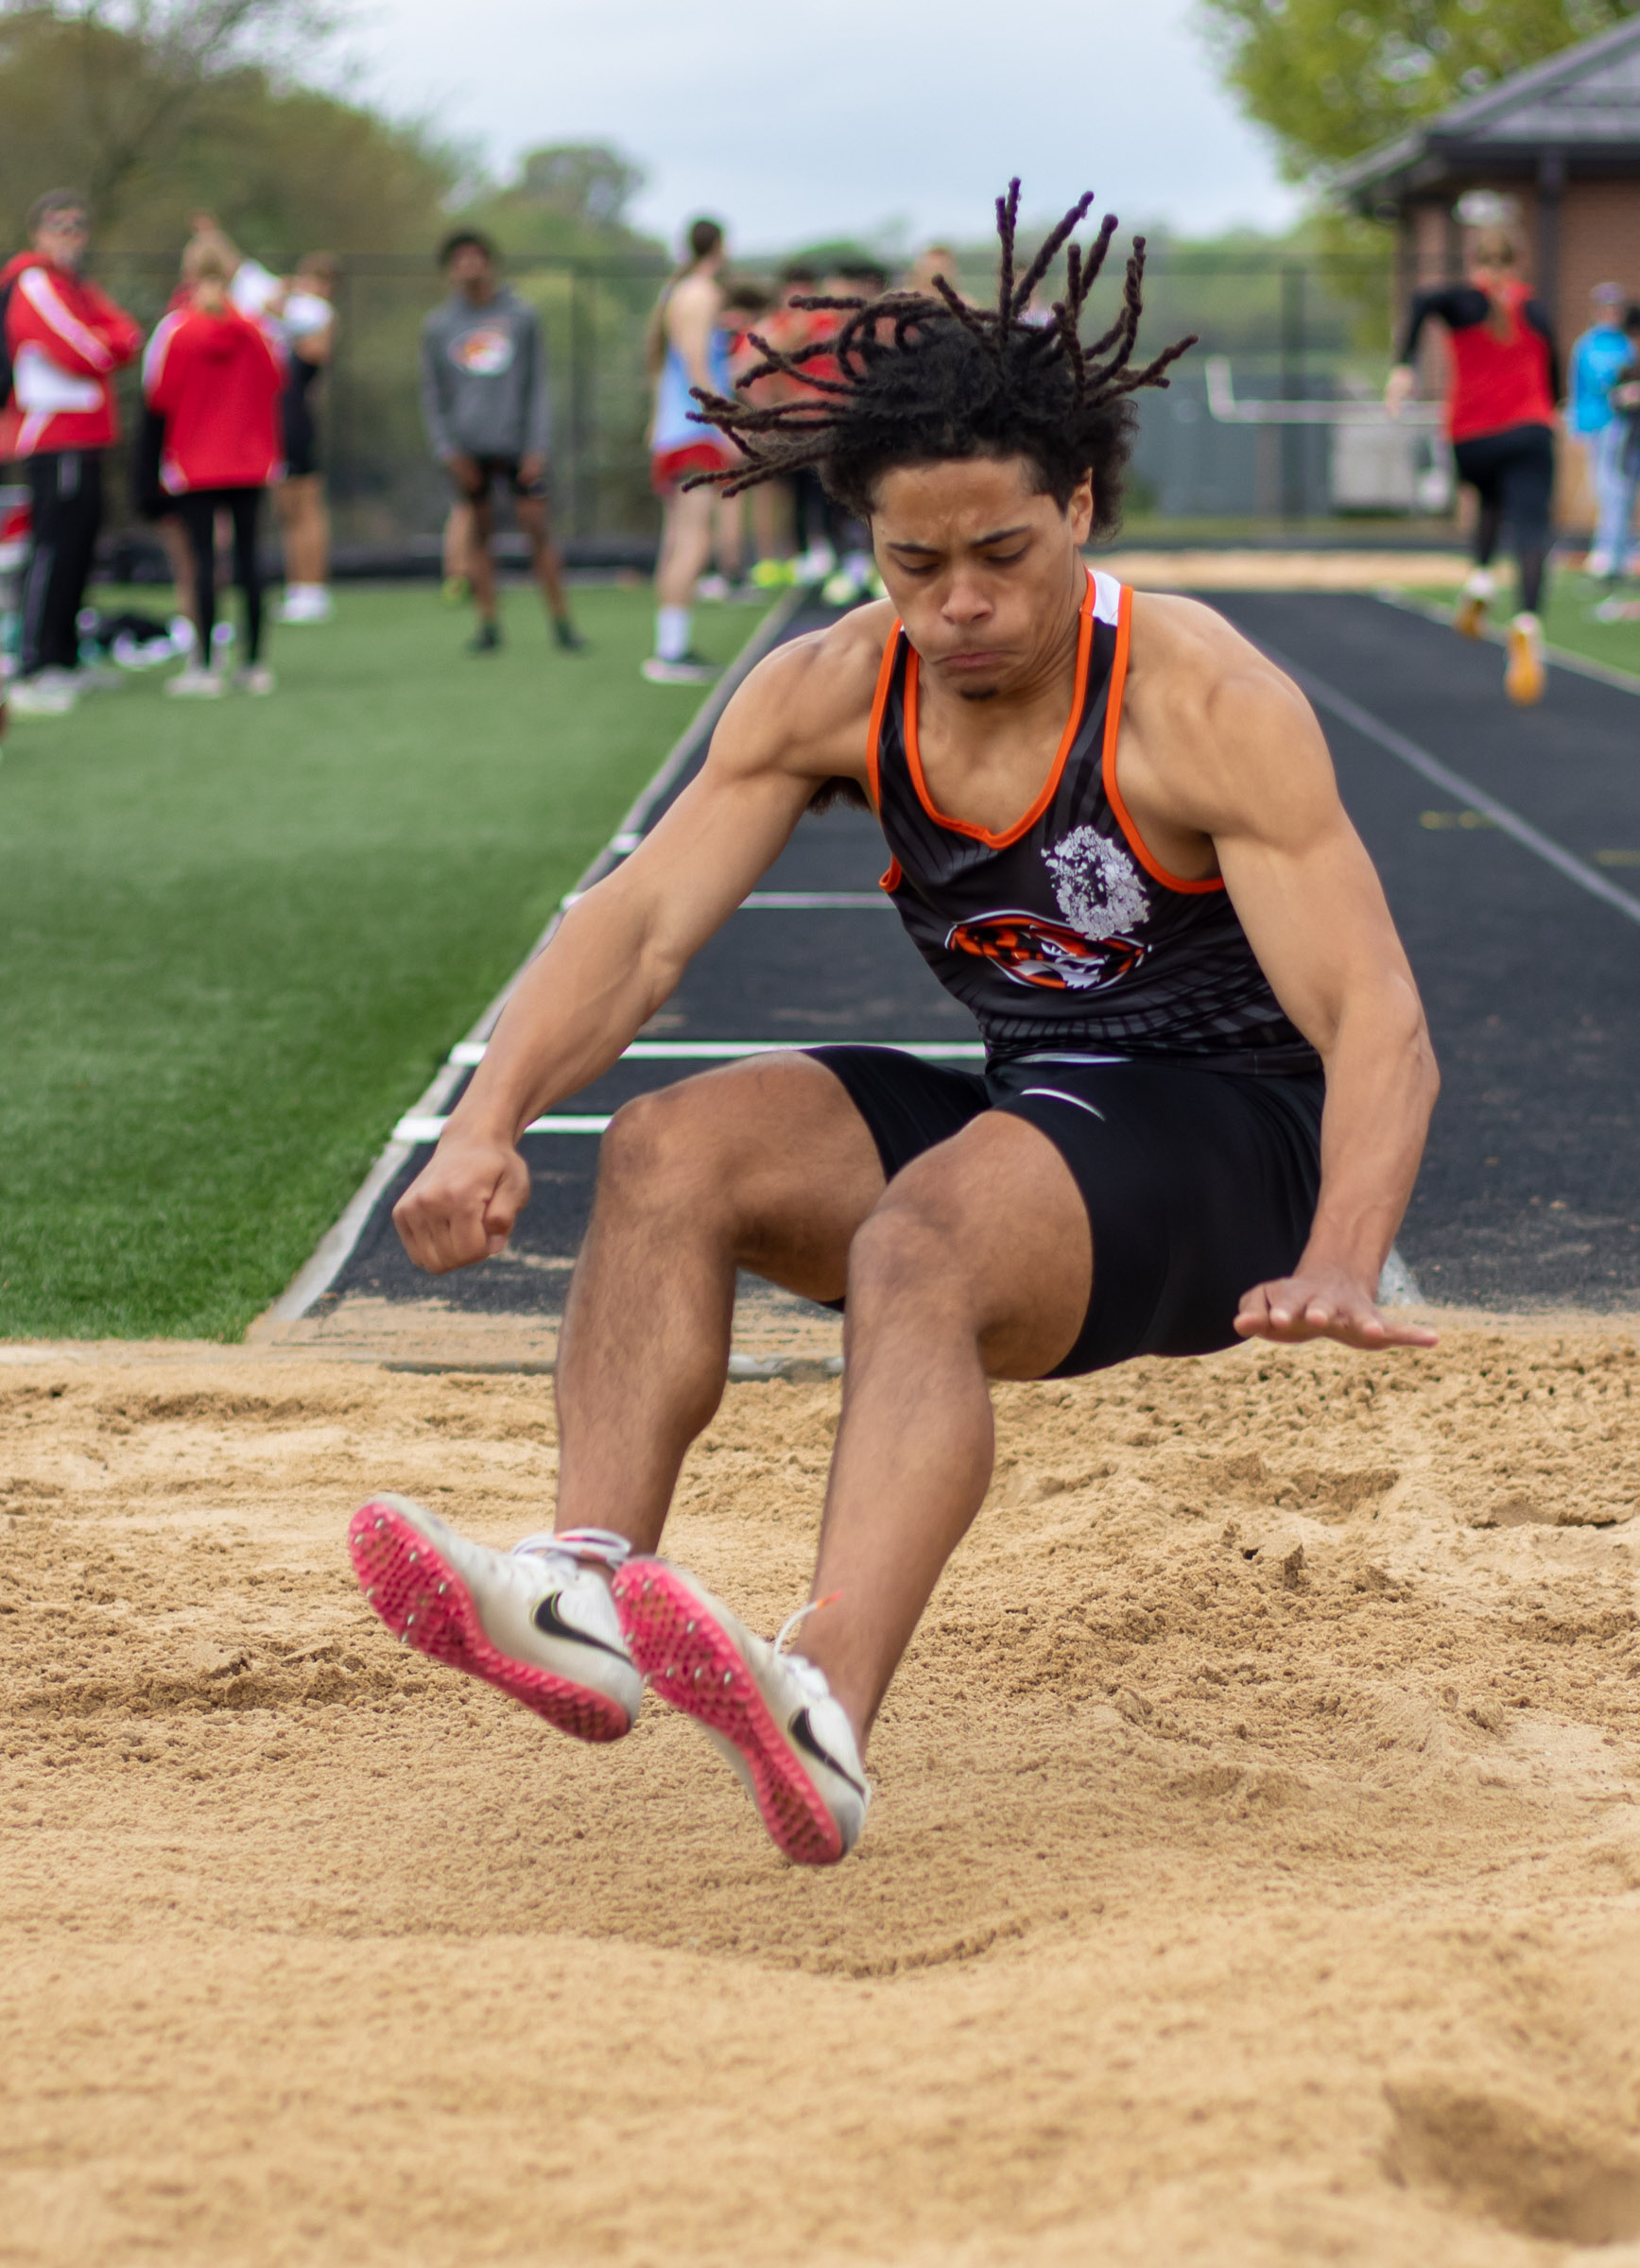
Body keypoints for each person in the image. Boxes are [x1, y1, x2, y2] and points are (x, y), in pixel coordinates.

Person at [351, 184, 1440, 1869]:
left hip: (1233, 1140)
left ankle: (826, 1705)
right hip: (1039, 1106)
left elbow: (1377, 1013)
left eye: (1005, 554)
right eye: (914, 563)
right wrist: (489, 1120)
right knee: (669, 1144)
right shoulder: (829, 686)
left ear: (1080, 503)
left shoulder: (1201, 702)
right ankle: (579, 1582)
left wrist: (1348, 1253)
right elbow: (635, 926)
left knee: (921, 1238)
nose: (963, 604)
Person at [1386, 221, 1561, 705]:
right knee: (1530, 528)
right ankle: (1526, 622)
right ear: (1519, 262)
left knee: (1489, 503)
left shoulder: (1463, 303)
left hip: (1472, 437)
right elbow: (1555, 371)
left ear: (1474, 262)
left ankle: (1480, 579)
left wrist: (1403, 369)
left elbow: (1422, 302)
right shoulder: (1536, 311)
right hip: (1529, 431)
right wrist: (1556, 409)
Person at [0, 189, 141, 715]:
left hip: (88, 437)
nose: (69, 235)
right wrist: (109, 344)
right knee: (52, 547)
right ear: (37, 232)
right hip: (52, 436)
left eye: (77, 225)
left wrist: (111, 343)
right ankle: (33, 664)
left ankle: (65, 657)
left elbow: (126, 332)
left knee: (81, 547)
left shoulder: (78, 285)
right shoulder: (33, 281)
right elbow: (83, 349)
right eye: (58, 225)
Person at [418, 230, 581, 655]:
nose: (469, 267)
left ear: (490, 263)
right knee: (479, 536)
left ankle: (562, 623)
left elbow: (537, 385)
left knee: (537, 530)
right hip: (469, 450)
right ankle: (489, 626)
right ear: (450, 270)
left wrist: (536, 447)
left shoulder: (521, 317)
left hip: (517, 447)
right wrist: (447, 449)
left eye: (476, 258)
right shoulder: (438, 326)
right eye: (460, 260)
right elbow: (433, 394)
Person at [144, 234, 285, 696]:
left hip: (195, 462)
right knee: (249, 559)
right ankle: (255, 663)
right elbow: (275, 382)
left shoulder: (176, 331)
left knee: (203, 561)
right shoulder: (255, 329)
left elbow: (159, 396)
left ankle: (205, 666)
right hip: (249, 461)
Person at [643, 216, 733, 683]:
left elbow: (663, 367)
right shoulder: (701, 292)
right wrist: (722, 421)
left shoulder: (673, 292)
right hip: (694, 433)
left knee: (677, 540)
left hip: (673, 433)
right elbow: (698, 360)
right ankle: (671, 653)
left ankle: (670, 645)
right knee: (695, 539)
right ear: (720, 246)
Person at [274, 252, 338, 624]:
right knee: (286, 510)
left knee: (306, 506)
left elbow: (316, 352)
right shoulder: (294, 318)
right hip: (278, 419)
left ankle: (313, 589)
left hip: (296, 421)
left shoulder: (321, 321)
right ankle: (297, 587)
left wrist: (285, 311)